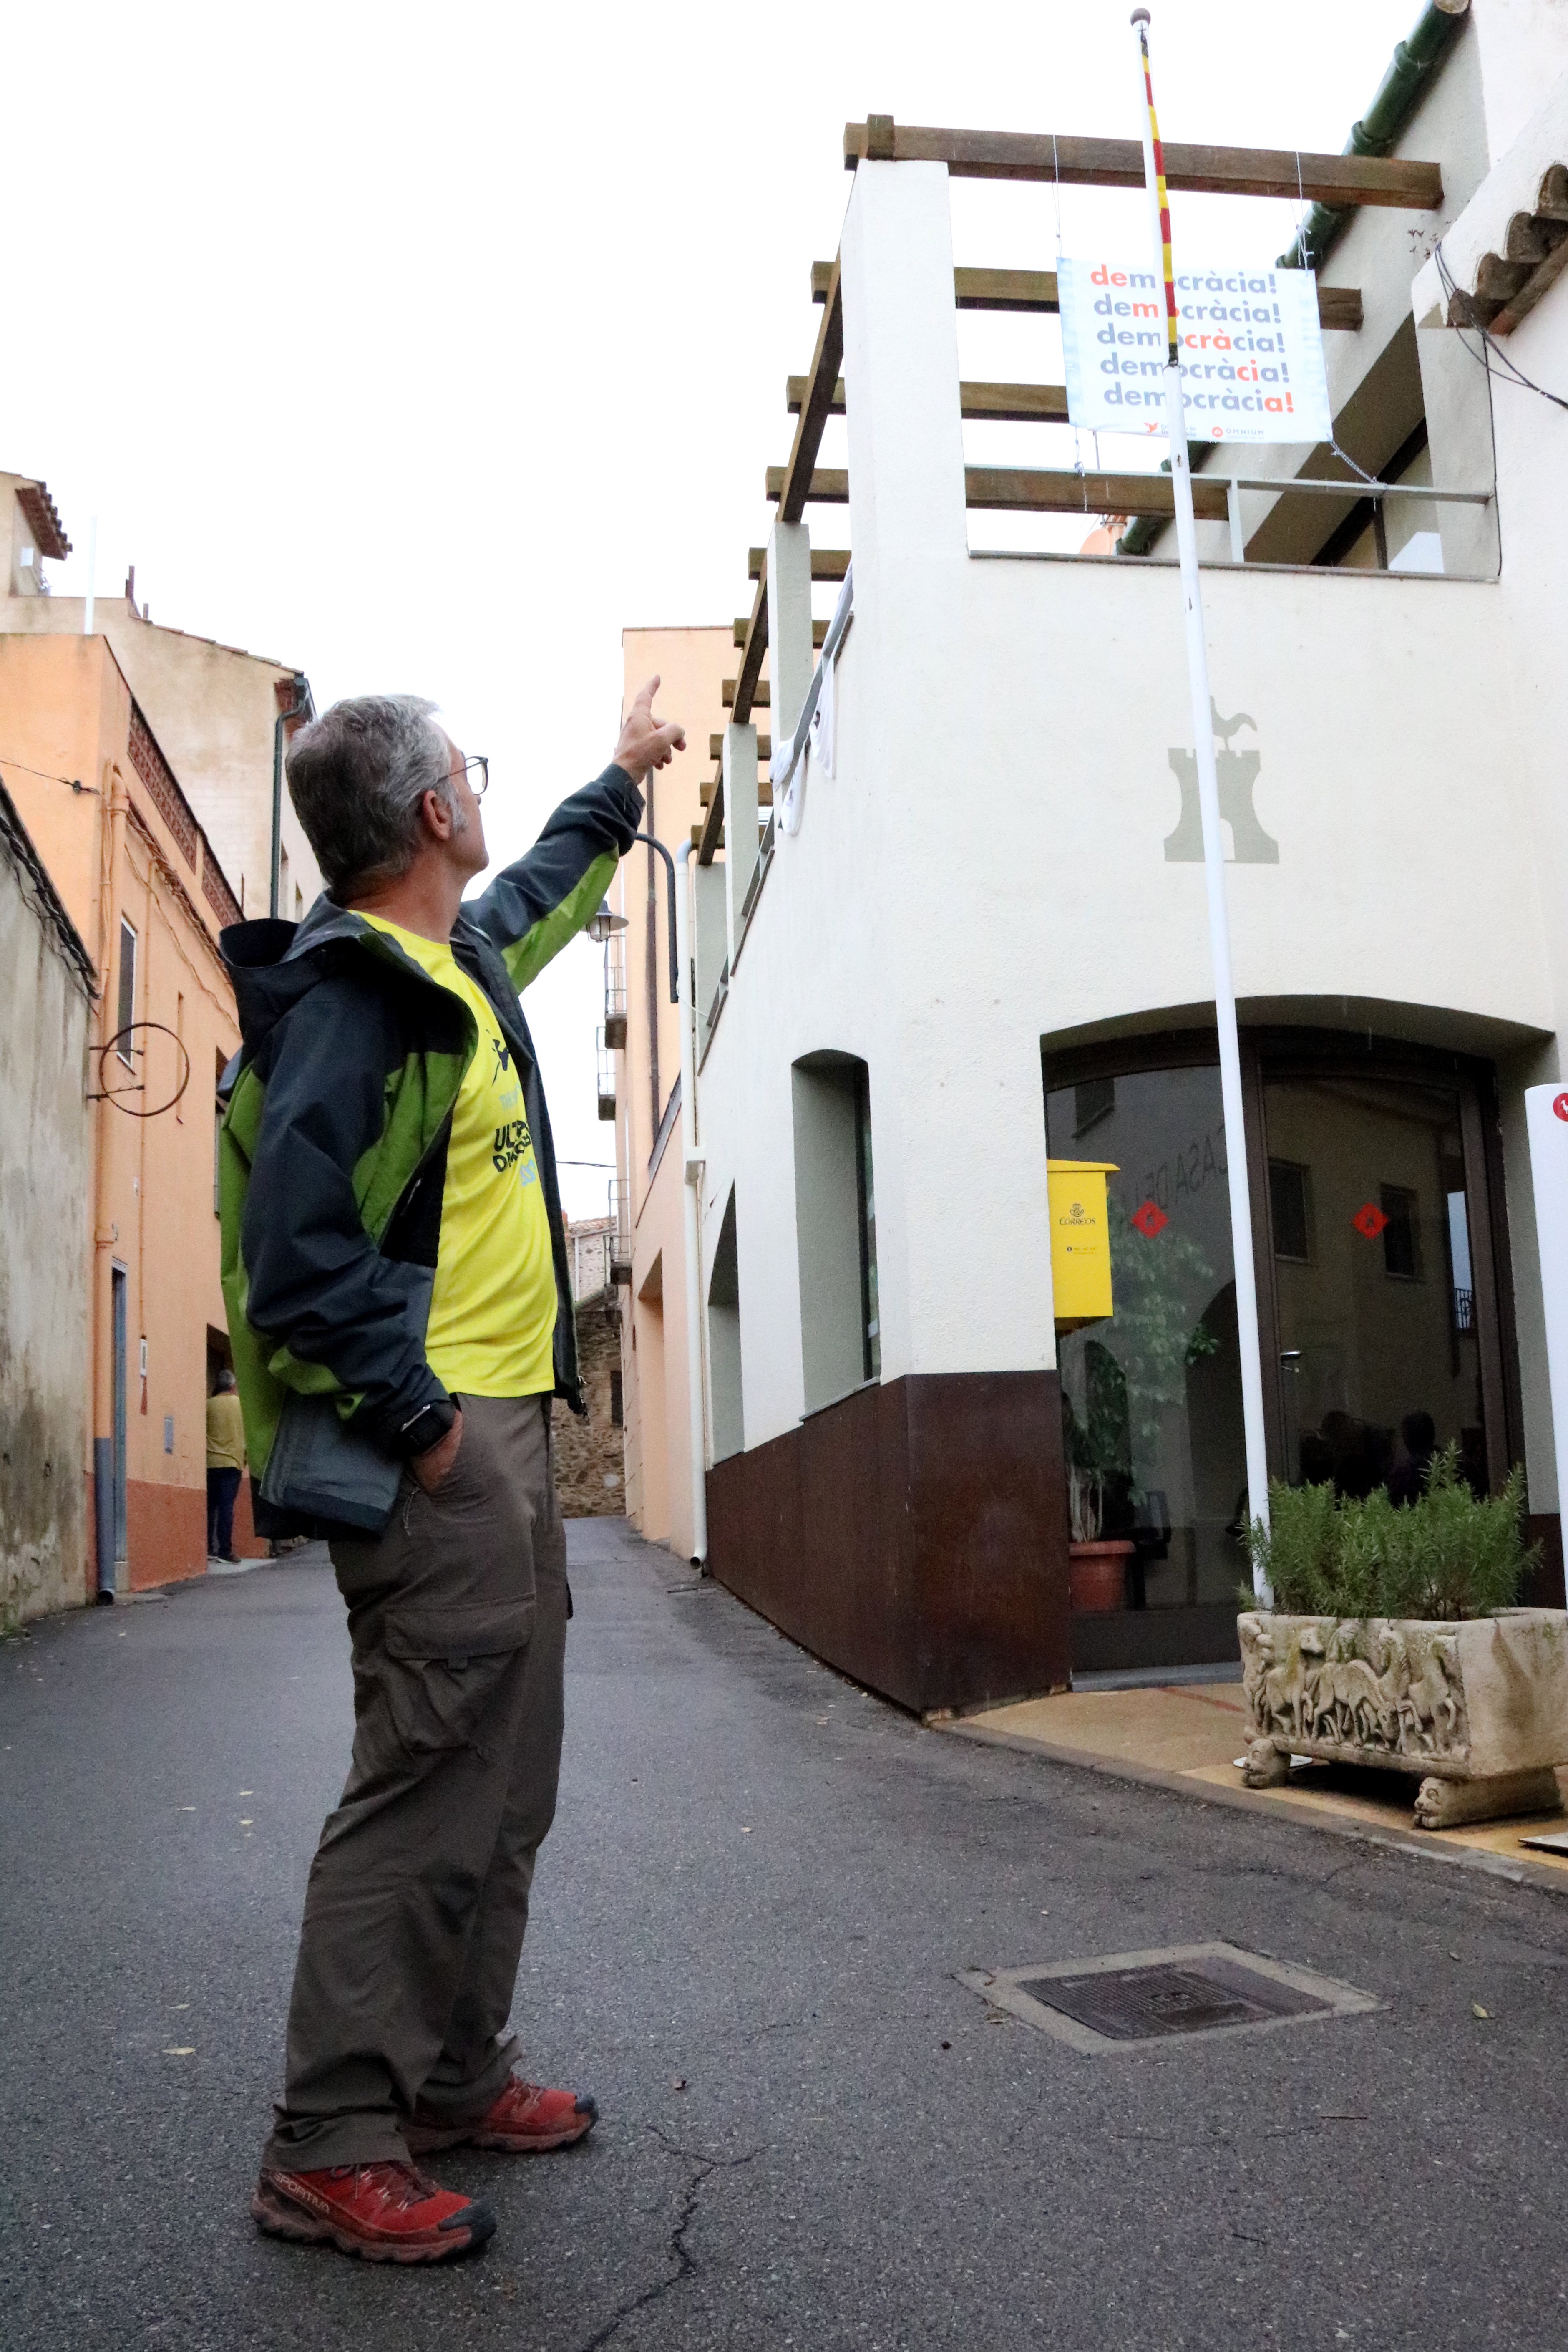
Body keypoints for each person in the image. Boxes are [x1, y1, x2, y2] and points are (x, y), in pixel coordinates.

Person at [218, 682, 682, 2264]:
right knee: (424, 1777)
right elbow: (294, 1254)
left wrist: (616, 780)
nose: (481, 796)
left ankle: (451, 2074)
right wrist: (417, 1420)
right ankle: (332, 2134)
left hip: (506, 1435)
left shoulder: (456, 963)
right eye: (467, 778)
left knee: (509, 1773)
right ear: (428, 813)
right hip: (443, 1440)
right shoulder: (355, 1002)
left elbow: (542, 886)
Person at [206, 1369, 246, 1562]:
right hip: (233, 1463)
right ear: (232, 1386)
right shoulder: (241, 1405)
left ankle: (208, 1548)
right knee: (226, 1507)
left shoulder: (208, 1405)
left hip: (210, 1462)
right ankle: (225, 1551)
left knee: (210, 1506)